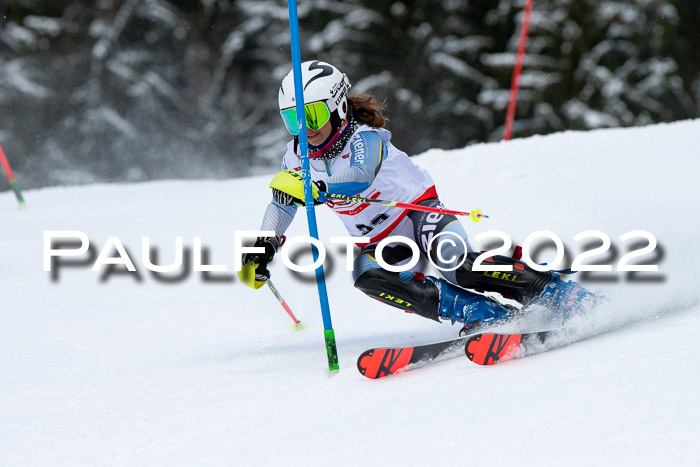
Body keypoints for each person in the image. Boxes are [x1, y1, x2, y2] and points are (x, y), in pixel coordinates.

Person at [239, 60, 594, 333]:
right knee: (367, 275)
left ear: (338, 108)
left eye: (312, 114)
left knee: (456, 264)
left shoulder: (365, 138)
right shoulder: (296, 155)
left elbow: (359, 177)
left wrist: (319, 189)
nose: (306, 128)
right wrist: (263, 246)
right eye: (293, 119)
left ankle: (555, 293)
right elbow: (281, 202)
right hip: (379, 239)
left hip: (418, 214)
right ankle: (482, 313)